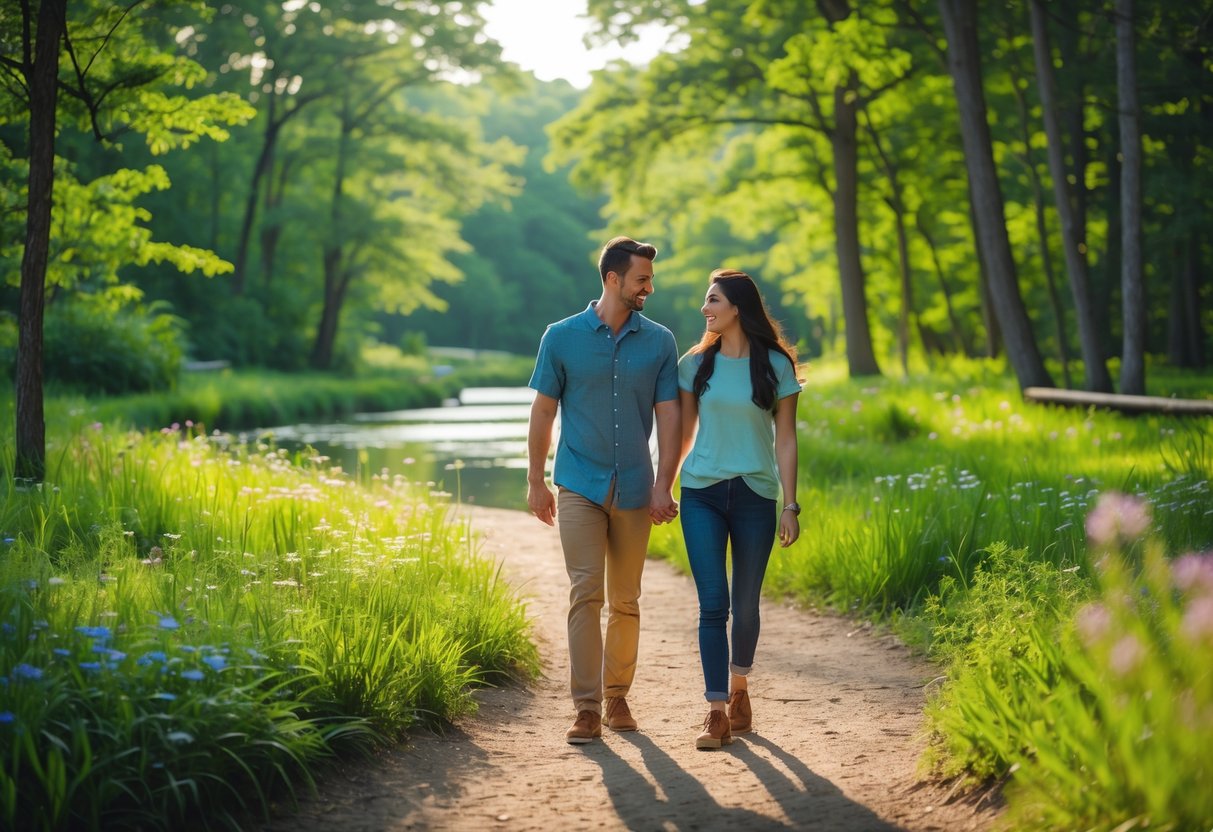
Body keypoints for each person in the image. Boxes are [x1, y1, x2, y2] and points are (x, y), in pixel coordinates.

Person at [526, 236, 681, 745]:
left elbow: (669, 416)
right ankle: (587, 707)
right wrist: (535, 480)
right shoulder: (561, 336)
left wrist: (664, 484)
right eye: (642, 279)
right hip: (578, 483)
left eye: (650, 280)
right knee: (585, 593)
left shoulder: (659, 341)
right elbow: (544, 411)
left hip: (636, 488)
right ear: (613, 279)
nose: (649, 288)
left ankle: (618, 698)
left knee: (626, 599)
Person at [676, 268, 802, 750]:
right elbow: (684, 434)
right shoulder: (695, 365)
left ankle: (740, 690)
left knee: (745, 605)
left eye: (712, 300)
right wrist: (664, 487)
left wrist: (790, 505)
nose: (704, 309)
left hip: (756, 494)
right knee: (713, 605)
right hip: (702, 492)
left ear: (736, 308)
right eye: (706, 300)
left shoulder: (775, 365)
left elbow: (785, 438)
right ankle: (715, 713)